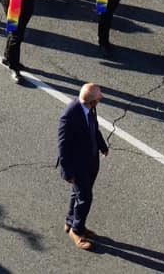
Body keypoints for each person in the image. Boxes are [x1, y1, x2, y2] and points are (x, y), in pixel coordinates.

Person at [57, 81, 109, 249]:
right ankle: (77, 230)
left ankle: (70, 221)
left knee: (78, 194)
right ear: (92, 102)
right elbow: (62, 147)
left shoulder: (89, 107)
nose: (100, 100)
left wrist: (102, 146)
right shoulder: (69, 116)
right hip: (78, 166)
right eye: (99, 98)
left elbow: (94, 128)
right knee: (85, 198)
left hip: (91, 161)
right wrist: (67, 172)